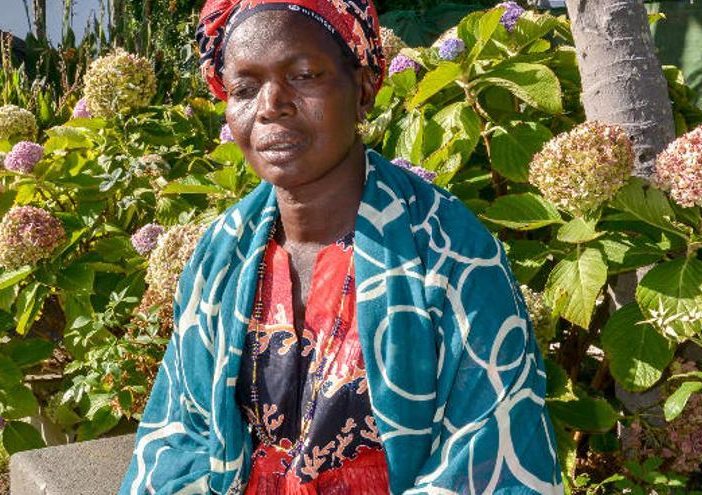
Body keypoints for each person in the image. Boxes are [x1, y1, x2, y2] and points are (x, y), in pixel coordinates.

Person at [119, 0, 562, 492]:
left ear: (365, 89)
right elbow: (182, 435)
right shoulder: (222, 253)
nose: (270, 104)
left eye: (304, 76)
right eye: (244, 88)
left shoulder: (449, 254)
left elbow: (488, 459)